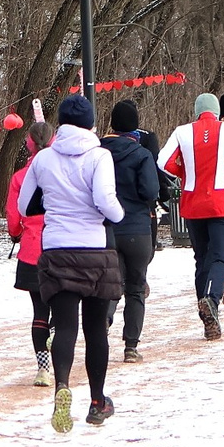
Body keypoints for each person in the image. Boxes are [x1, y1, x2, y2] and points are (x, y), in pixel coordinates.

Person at [21, 94, 124, 430]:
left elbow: (25, 207)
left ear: (61, 123)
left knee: (64, 326)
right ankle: (97, 401)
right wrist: (117, 216)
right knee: (96, 330)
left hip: (57, 250)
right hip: (95, 250)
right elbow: (105, 201)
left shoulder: (43, 159)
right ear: (92, 123)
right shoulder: (99, 156)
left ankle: (62, 386)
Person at [157, 91, 224, 338]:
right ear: (216, 112)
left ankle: (205, 310)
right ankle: (211, 300)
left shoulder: (182, 131)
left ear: (197, 111)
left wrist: (183, 172)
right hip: (221, 203)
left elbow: (163, 161)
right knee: (219, 256)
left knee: (201, 258)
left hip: (192, 203)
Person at [100, 99, 163, 361]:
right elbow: (151, 191)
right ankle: (131, 346)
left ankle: (103, 322)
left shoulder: (98, 152)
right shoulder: (142, 155)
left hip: (106, 229)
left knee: (110, 283)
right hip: (137, 227)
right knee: (136, 288)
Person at [4, 115, 54, 382]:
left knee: (39, 310)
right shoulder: (63, 172)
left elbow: (14, 217)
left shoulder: (21, 177)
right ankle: (58, 339)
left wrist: (16, 233)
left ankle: (43, 367)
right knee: (61, 307)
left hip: (33, 249)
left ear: (30, 144)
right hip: (62, 247)